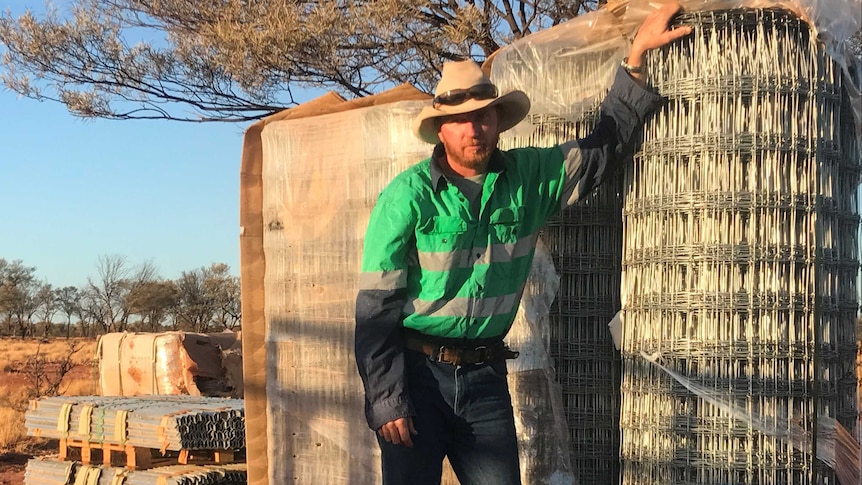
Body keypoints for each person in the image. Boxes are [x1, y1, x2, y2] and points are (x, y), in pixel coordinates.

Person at [354, 4, 692, 484]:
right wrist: (387, 398)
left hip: (485, 380)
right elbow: (375, 309)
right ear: (441, 129)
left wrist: (635, 57)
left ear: (498, 120)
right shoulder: (406, 197)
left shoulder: (529, 178)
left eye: (484, 115)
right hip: (416, 378)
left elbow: (601, 150)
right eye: (461, 119)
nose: (475, 128)